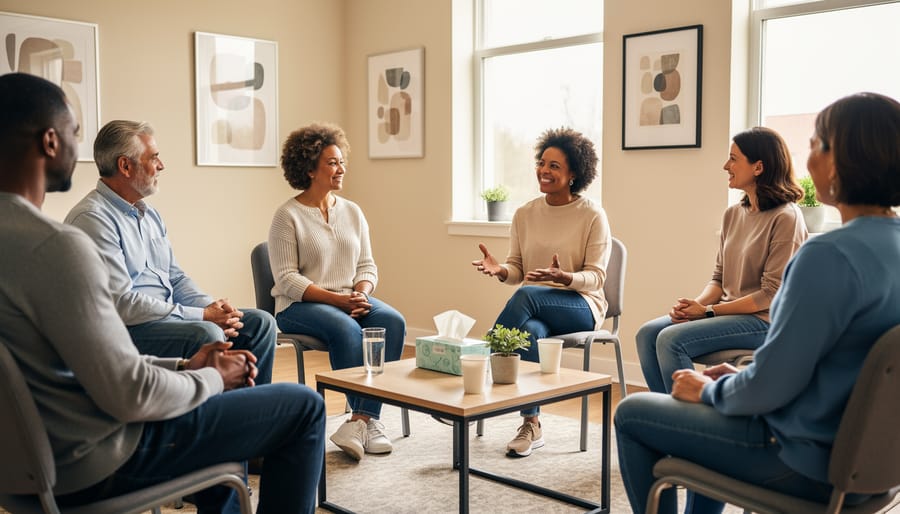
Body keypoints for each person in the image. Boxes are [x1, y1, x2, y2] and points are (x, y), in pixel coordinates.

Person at [0, 72, 325, 513]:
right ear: (50, 142)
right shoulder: (59, 243)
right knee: (304, 406)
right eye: (76, 133)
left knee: (252, 328)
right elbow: (128, 392)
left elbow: (72, 363)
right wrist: (212, 378)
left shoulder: (26, 240)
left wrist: (183, 362)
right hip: (94, 461)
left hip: (28, 468)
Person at [615, 92, 900, 514]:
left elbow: (770, 387)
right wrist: (737, 379)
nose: (810, 159)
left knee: (632, 411)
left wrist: (713, 390)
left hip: (801, 461)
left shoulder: (827, 255)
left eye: (817, 144)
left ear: (842, 161)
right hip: (872, 471)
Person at [64, 120, 276, 385]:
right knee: (206, 333)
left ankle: (250, 410)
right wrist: (203, 316)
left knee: (260, 323)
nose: (161, 166)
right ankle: (216, 419)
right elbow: (122, 305)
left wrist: (214, 307)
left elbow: (175, 278)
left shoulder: (149, 214)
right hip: (123, 331)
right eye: (154, 158)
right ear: (125, 166)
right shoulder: (93, 219)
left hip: (164, 320)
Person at [269, 122, 406, 461]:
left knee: (393, 321)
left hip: (349, 297)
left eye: (342, 161)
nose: (341, 168)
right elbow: (287, 279)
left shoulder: (353, 212)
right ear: (310, 168)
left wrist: (361, 292)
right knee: (346, 330)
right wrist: (338, 301)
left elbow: (367, 264)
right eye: (332, 162)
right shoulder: (287, 216)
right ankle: (363, 418)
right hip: (299, 305)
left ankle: (361, 419)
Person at [635, 127, 808, 394]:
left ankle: (686, 421)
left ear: (758, 167)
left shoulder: (786, 217)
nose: (726, 165)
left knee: (670, 340)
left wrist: (707, 312)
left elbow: (770, 296)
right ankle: (665, 415)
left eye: (733, 158)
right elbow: (718, 279)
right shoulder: (733, 214)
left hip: (765, 321)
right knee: (647, 334)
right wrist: (695, 305)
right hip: (727, 313)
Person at [472, 127, 611, 457]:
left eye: (554, 167)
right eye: (542, 163)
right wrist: (501, 270)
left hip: (581, 304)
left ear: (574, 173)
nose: (544, 171)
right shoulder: (525, 214)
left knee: (527, 295)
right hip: (536, 309)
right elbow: (517, 270)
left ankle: (482, 364)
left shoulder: (592, 215)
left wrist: (565, 278)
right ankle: (531, 424)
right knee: (530, 329)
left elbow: (597, 278)